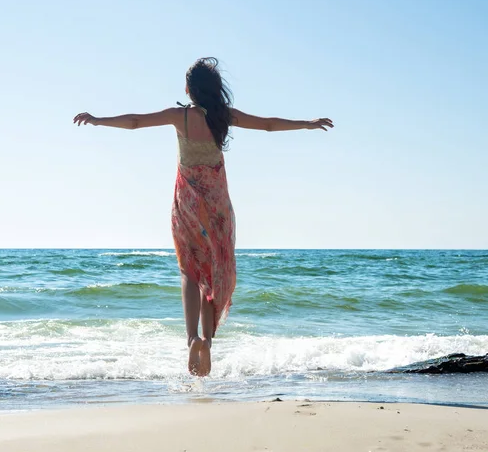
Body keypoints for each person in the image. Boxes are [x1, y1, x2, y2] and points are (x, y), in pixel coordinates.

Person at [73, 57, 333, 377]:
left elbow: (136, 121)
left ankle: (191, 338)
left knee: (189, 271)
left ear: (189, 90)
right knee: (213, 272)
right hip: (217, 204)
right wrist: (306, 124)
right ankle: (208, 342)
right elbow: (268, 124)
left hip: (187, 202)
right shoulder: (224, 117)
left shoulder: (179, 116)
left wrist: (98, 120)